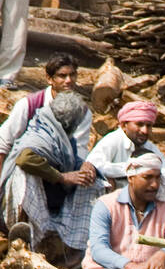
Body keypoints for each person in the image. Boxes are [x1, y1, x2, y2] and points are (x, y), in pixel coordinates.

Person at [0, 89, 98, 259]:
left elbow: (72, 158)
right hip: (15, 202)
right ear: (71, 123)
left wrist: (85, 166)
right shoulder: (41, 133)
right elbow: (24, 158)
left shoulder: (62, 136)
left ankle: (74, 246)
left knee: (95, 185)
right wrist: (62, 177)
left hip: (53, 197)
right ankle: (22, 232)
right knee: (26, 174)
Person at [0, 53, 91, 164]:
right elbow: (3, 143)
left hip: (62, 168)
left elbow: (79, 149)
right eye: (62, 76)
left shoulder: (82, 111)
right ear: (49, 79)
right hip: (24, 166)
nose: (68, 80)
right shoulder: (29, 104)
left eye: (72, 75)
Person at [86, 101, 165, 203]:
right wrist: (131, 169)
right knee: (107, 181)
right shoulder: (112, 140)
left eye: (149, 126)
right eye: (140, 124)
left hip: (143, 202)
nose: (145, 131)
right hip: (116, 203)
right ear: (124, 125)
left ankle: (157, 218)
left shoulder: (150, 147)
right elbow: (93, 166)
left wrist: (149, 172)